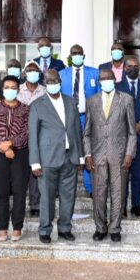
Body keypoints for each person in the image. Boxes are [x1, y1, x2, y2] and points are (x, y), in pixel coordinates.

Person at [29, 69, 84, 244]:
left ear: (61, 81)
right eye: (49, 81)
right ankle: (44, 229)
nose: (53, 84)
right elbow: (33, 135)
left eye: (56, 81)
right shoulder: (37, 104)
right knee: (47, 197)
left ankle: (65, 228)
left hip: (70, 157)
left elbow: (76, 130)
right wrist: (35, 162)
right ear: (45, 83)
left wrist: (81, 156)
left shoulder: (70, 102)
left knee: (69, 197)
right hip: (47, 159)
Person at [84, 69, 137, 241]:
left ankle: (115, 228)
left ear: (115, 79)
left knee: (118, 194)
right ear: (99, 82)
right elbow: (87, 132)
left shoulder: (126, 99)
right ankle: (100, 227)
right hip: (97, 155)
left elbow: (131, 131)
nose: (106, 80)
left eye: (109, 78)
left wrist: (129, 153)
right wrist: (87, 154)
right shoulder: (91, 101)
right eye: (103, 78)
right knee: (99, 194)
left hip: (120, 156)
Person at [0, 75, 30, 242]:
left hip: (20, 153)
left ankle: (17, 227)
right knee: (1, 191)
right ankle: (3, 226)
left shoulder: (26, 109)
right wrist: (3, 147)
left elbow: (27, 132)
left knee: (19, 191)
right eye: (7, 87)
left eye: (13, 87)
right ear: (2, 89)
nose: (10, 90)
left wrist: (11, 143)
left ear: (18, 90)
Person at [115, 56, 140, 217]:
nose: (133, 68)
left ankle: (136, 205)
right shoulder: (117, 87)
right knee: (122, 174)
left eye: (136, 66)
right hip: (122, 137)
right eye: (130, 66)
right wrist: (128, 127)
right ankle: (121, 206)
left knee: (138, 173)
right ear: (124, 68)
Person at [60, 44, 100, 196]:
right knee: (69, 151)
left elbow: (99, 97)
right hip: (68, 118)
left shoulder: (94, 73)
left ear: (83, 56)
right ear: (70, 57)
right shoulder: (62, 74)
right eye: (73, 53)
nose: (76, 55)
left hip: (88, 117)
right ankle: (67, 188)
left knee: (89, 151)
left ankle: (90, 188)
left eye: (79, 53)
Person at [18, 61, 46, 217]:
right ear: (24, 73)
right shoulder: (17, 91)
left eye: (35, 70)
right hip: (20, 137)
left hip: (40, 136)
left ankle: (35, 204)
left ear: (39, 73)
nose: (32, 72)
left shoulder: (45, 91)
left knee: (36, 171)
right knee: (21, 172)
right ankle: (20, 203)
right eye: (29, 70)